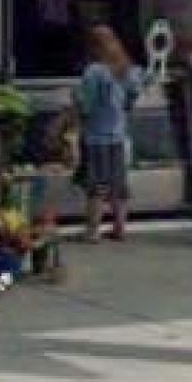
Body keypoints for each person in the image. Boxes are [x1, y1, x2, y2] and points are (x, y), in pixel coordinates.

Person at [77, 26, 143, 243]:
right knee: (118, 184)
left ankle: (92, 230)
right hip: (119, 134)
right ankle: (120, 227)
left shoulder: (94, 72)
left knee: (96, 184)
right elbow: (132, 98)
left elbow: (85, 106)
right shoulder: (128, 70)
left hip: (96, 135)